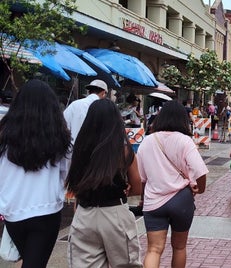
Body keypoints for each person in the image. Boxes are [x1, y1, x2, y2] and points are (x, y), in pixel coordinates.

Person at [0, 79, 72, 267]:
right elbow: (65, 174)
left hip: (12, 212)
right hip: (47, 211)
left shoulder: (5, 137)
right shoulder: (59, 138)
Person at [64, 99, 143, 267]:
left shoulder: (79, 148)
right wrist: (126, 189)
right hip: (115, 213)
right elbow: (137, 187)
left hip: (85, 214)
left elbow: (75, 183)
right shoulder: (124, 150)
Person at [136, 101, 208, 268]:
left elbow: (142, 178)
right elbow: (201, 171)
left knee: (153, 249)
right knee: (179, 247)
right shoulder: (185, 141)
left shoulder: (147, 141)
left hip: (153, 200)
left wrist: (142, 199)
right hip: (181, 199)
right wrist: (201, 189)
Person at [64, 79, 108, 145]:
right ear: (103, 93)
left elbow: (63, 125)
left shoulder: (74, 104)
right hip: (92, 150)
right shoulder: (104, 108)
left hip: (72, 149)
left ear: (89, 91)